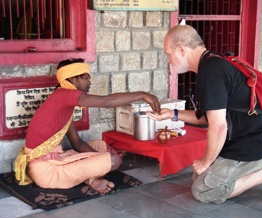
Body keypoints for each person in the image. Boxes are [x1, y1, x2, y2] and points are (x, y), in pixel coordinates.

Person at [147, 24, 262, 204]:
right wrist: (172, 114)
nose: (169, 60)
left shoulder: (211, 72)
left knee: (203, 191)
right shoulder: (213, 63)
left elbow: (219, 126)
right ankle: (260, 168)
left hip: (254, 144)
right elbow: (207, 117)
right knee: (198, 177)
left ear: (181, 50)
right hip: (250, 139)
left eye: (168, 53)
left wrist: (206, 162)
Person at [14, 58, 161, 194]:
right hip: (47, 172)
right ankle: (93, 178)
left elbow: (77, 143)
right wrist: (142, 95)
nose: (89, 82)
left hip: (58, 158)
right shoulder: (63, 95)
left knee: (100, 146)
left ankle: (92, 177)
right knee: (113, 160)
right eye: (85, 78)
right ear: (72, 79)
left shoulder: (63, 100)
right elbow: (107, 102)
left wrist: (98, 158)